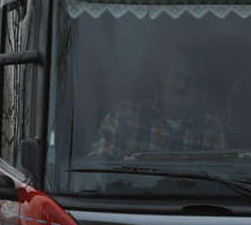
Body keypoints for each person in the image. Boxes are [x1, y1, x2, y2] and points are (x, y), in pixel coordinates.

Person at [89, 45, 228, 157]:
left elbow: (220, 184)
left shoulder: (211, 128)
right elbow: (98, 173)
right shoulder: (123, 116)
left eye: (191, 81)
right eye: (177, 76)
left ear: (202, 91)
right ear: (163, 78)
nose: (182, 86)